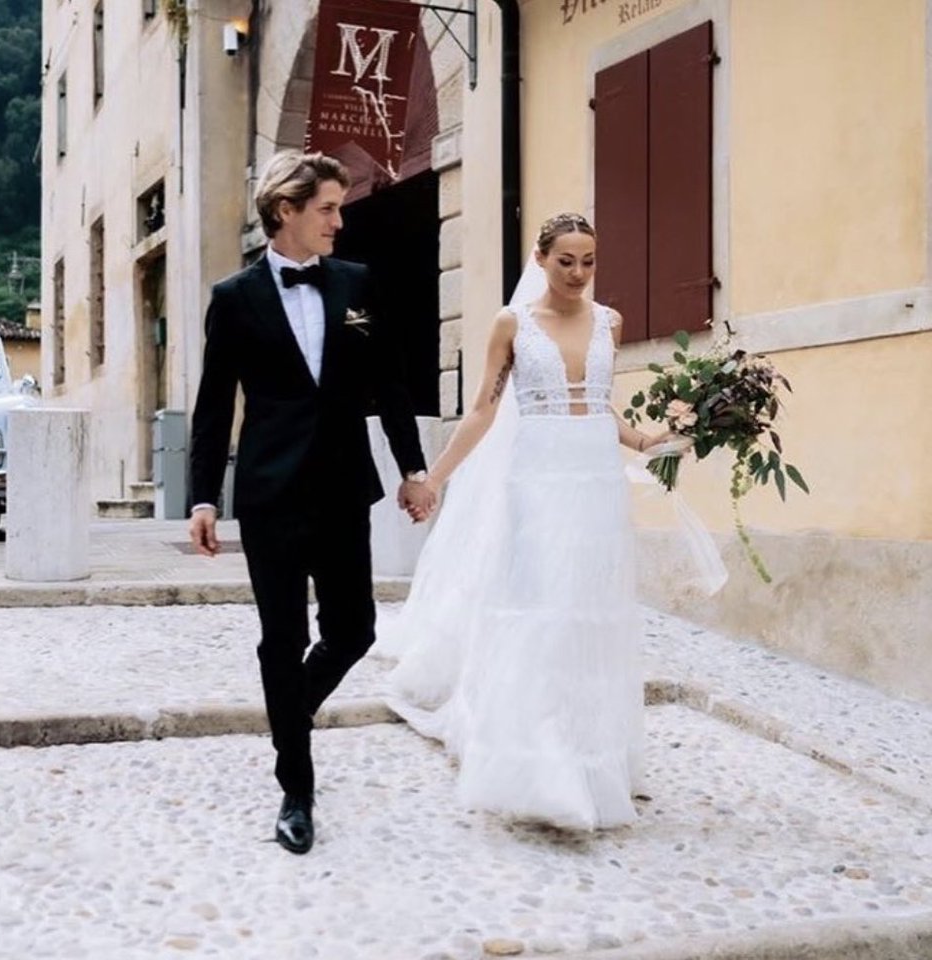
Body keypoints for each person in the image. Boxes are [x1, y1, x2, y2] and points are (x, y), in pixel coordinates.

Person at [382, 213, 671, 830]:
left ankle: (593, 762)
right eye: (565, 260)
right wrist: (433, 479)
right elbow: (484, 410)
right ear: (540, 260)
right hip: (537, 482)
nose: (578, 273)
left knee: (590, 614)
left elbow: (596, 403)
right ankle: (537, 765)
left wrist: (646, 439)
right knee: (540, 612)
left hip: (595, 484)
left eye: (588, 260)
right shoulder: (513, 324)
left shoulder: (609, 325)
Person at [188, 151, 436, 854]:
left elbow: (390, 384)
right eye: (327, 207)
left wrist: (413, 469)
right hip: (268, 493)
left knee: (354, 629)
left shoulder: (357, 283)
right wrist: (204, 496)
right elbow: (214, 406)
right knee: (284, 639)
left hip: (340, 486)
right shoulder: (234, 298)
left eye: (338, 206)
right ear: (285, 212)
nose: (339, 219)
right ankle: (296, 787)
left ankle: (286, 719)